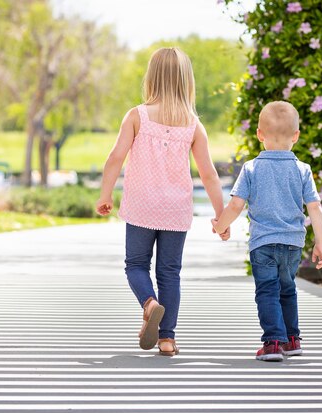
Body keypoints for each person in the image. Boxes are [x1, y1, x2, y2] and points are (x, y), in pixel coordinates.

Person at [95, 47, 226, 356]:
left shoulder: (137, 116)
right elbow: (208, 174)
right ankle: (167, 339)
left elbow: (115, 158)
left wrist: (105, 194)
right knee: (170, 272)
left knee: (136, 265)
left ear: (151, 78)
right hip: (175, 210)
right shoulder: (194, 125)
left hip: (141, 206)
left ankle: (149, 303)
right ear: (186, 81)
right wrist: (221, 215)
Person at [212, 101, 322, 362]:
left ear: (259, 134)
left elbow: (236, 205)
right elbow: (314, 207)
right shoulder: (302, 170)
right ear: (296, 136)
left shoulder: (252, 168)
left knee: (267, 291)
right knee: (287, 289)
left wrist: (220, 225)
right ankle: (292, 339)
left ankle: (273, 342)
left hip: (263, 244)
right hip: (293, 245)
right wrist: (320, 242)